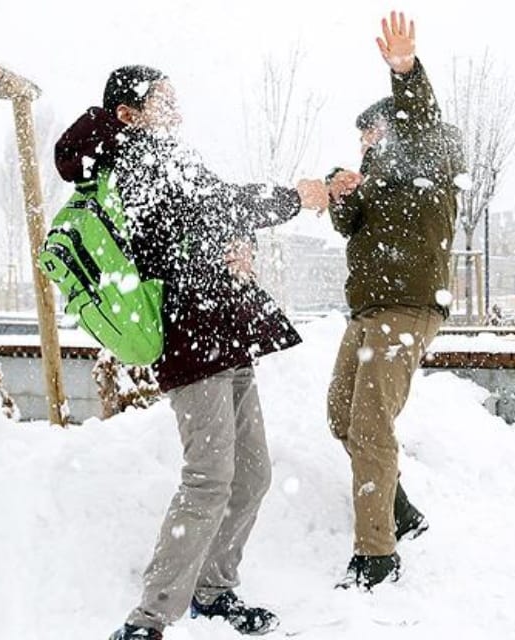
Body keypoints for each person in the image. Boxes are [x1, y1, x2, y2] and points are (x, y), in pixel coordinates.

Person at [54, 65, 330, 640]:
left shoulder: (166, 156)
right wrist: (292, 199)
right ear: (129, 113)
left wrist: (238, 243)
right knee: (209, 477)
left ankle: (214, 590)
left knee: (252, 474)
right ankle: (148, 620)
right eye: (163, 100)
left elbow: (207, 220)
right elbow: (213, 207)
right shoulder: (133, 161)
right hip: (189, 338)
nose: (176, 109)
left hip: (224, 331)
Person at [324, 11, 466, 591]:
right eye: (361, 136)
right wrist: (340, 192)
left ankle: (377, 555)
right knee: (341, 414)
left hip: (407, 309)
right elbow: (348, 226)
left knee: (371, 425)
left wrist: (404, 70)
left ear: (396, 126)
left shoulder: (430, 156)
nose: (366, 142)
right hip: (368, 311)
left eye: (372, 132)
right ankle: (400, 508)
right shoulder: (376, 178)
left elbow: (422, 118)